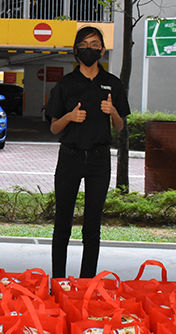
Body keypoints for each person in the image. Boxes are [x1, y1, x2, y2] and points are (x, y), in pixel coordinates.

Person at [46, 26, 129, 279]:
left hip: (98, 159)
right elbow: (53, 127)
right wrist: (70, 117)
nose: (90, 49)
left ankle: (86, 284)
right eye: (84, 44)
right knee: (62, 224)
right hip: (70, 156)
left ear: (102, 50)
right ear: (76, 50)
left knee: (92, 226)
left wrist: (112, 112)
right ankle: (58, 282)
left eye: (95, 44)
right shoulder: (66, 84)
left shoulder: (113, 83)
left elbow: (121, 126)